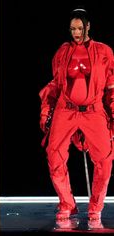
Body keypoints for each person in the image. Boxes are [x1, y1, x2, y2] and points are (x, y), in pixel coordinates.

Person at [39, 8, 114, 229]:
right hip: (66, 109)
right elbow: (55, 84)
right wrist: (46, 110)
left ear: (88, 26)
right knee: (54, 156)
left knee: (105, 161)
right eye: (73, 29)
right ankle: (66, 204)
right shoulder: (62, 52)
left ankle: (96, 208)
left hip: (93, 110)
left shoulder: (104, 52)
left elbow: (111, 86)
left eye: (80, 28)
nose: (76, 33)